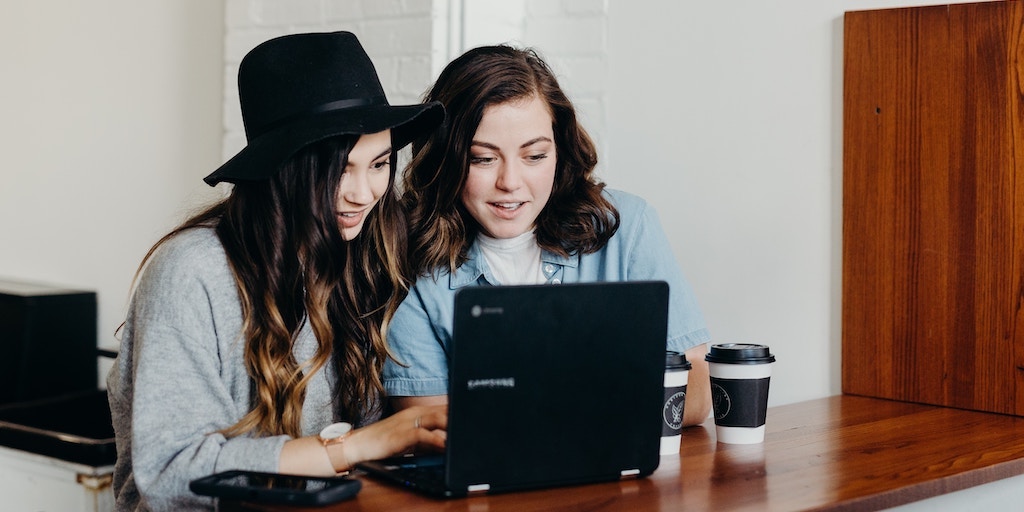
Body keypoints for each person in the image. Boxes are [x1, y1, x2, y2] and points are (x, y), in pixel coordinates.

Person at [106, 32, 447, 511]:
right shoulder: (192, 271)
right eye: (339, 169)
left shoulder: (360, 259)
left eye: (380, 164)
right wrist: (356, 447)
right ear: (285, 168)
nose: (364, 192)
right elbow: (172, 473)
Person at [384, 45, 712, 428]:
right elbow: (425, 425)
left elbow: (694, 395)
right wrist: (603, 393)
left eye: (534, 156)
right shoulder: (407, 256)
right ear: (446, 159)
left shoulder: (626, 226)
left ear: (560, 150)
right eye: (483, 159)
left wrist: (522, 407)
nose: (510, 182)